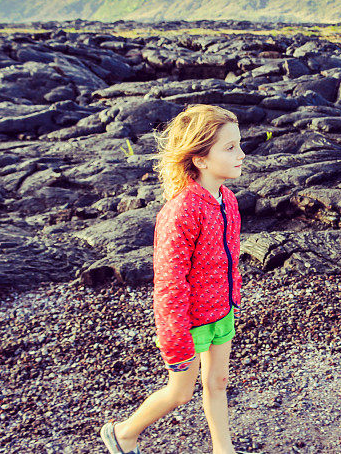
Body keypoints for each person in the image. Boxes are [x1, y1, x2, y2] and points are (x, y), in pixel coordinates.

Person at [99, 104, 245, 454]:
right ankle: (122, 433)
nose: (241, 154)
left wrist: (233, 296)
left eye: (239, 145)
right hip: (188, 321)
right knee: (180, 393)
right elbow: (169, 281)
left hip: (220, 311)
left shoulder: (227, 200)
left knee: (218, 382)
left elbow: (231, 256)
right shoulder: (181, 211)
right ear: (200, 159)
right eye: (230, 148)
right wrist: (176, 335)